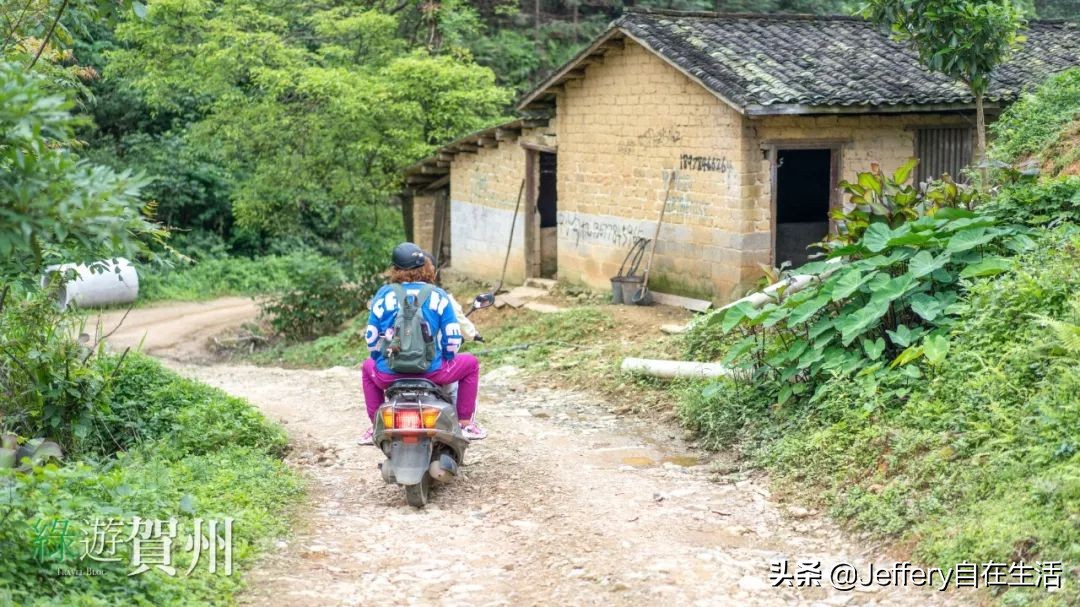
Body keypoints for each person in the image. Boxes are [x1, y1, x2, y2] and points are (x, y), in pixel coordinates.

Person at [359, 242, 487, 444]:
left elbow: (372, 338)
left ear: (395, 269)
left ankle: (376, 425)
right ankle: (465, 423)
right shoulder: (437, 295)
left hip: (388, 374)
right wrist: (446, 358)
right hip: (432, 371)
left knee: (367, 367)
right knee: (471, 364)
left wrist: (379, 359)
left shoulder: (383, 295)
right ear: (426, 267)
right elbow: (452, 339)